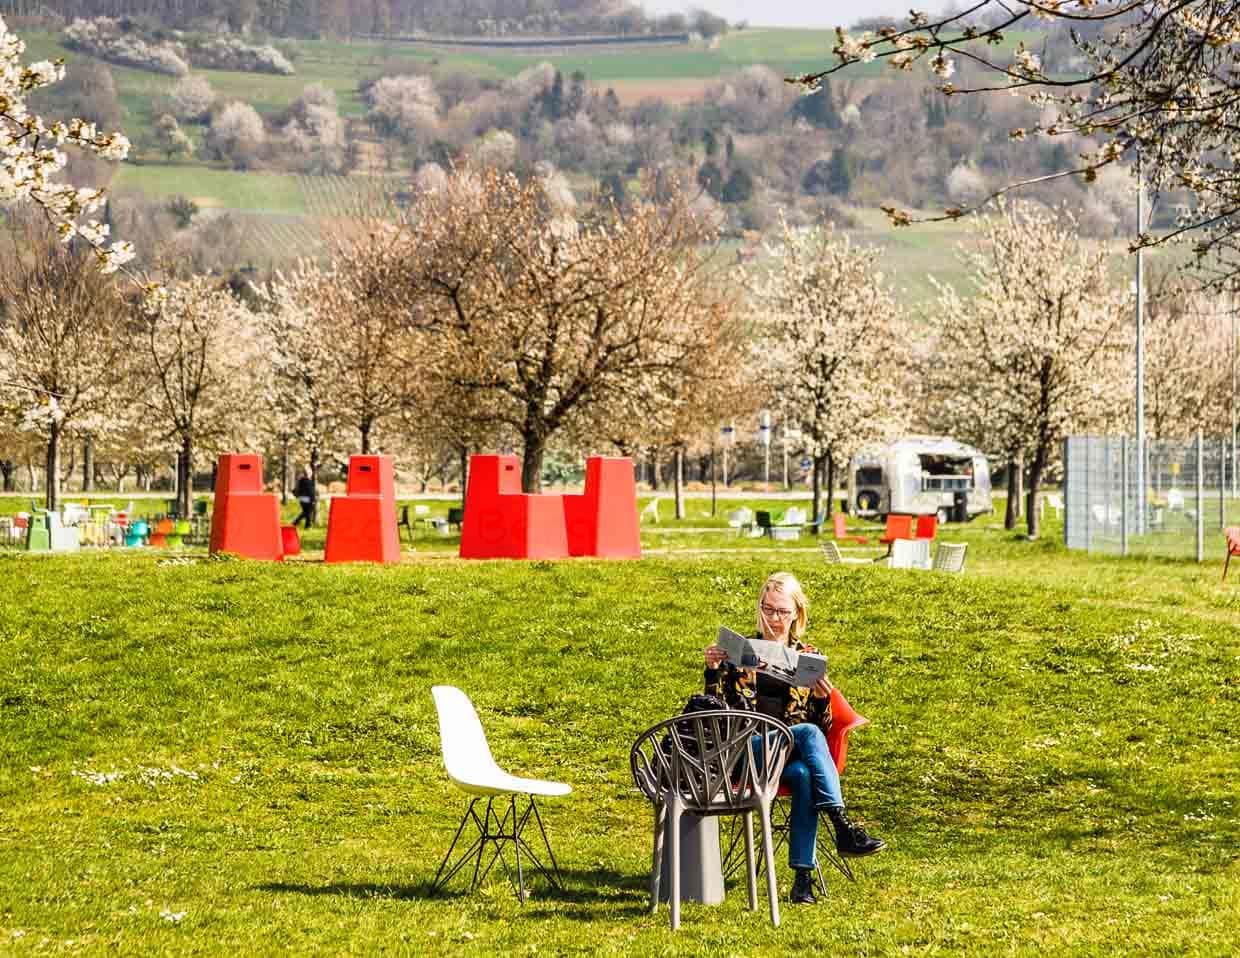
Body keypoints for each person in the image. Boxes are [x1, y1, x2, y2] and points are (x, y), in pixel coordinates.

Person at [703, 571, 885, 905]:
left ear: (796, 614)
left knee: (803, 774)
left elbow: (824, 724)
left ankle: (802, 881)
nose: (774, 618)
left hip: (786, 758)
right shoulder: (739, 651)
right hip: (749, 752)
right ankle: (842, 825)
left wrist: (820, 697)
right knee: (806, 734)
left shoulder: (808, 656)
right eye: (768, 609)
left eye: (782, 612)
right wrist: (713, 671)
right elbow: (715, 711)